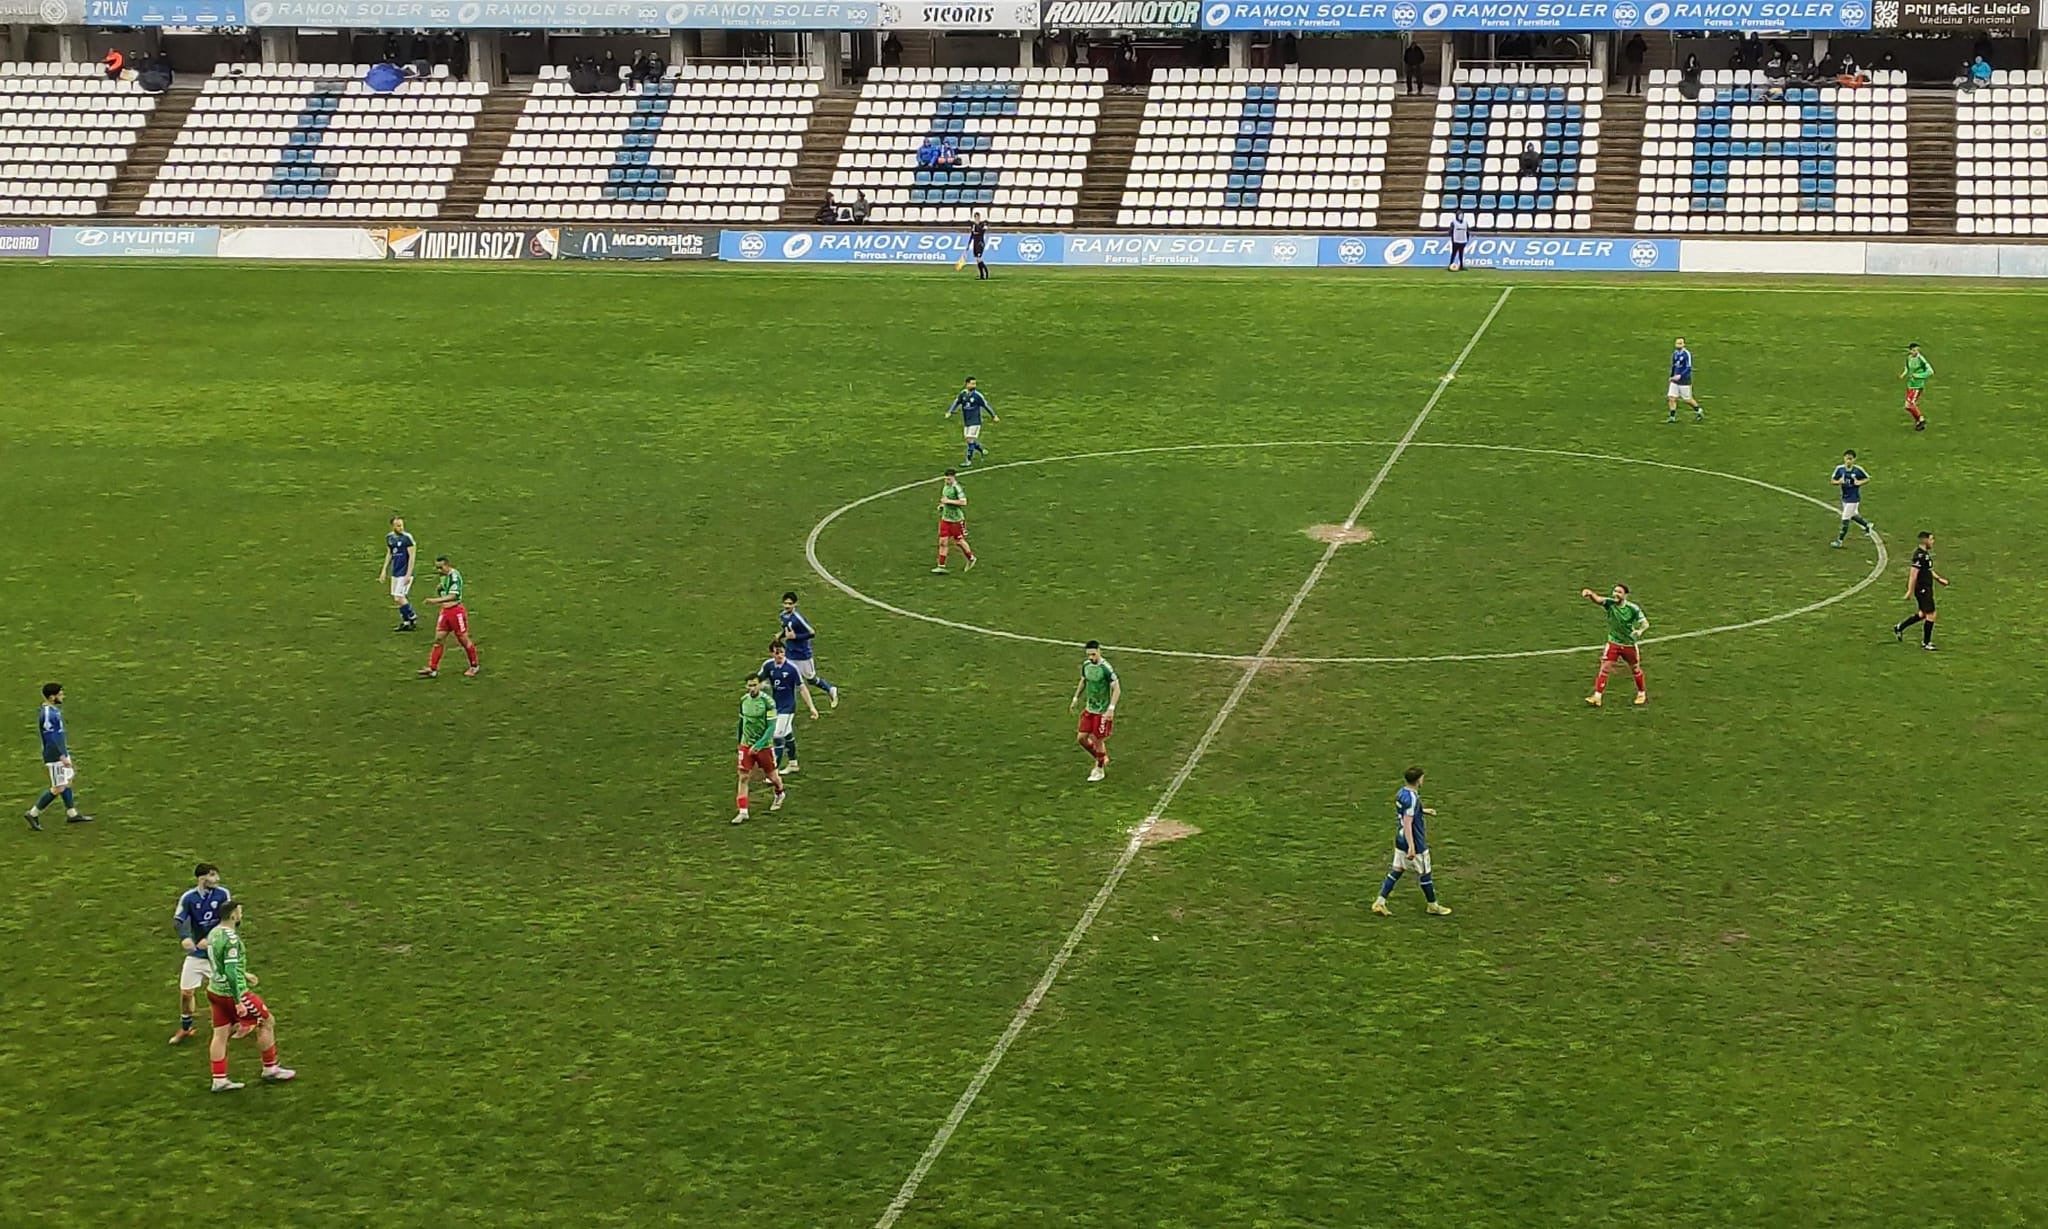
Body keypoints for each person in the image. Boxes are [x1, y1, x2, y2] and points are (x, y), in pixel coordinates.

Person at [204, 898, 296, 1092]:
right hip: (233, 992)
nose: (241, 915)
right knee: (267, 1021)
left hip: (214, 990)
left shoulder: (213, 933)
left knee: (220, 1034)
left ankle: (219, 1079)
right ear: (233, 915)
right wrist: (238, 1000)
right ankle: (270, 1069)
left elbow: (219, 963)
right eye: (240, 912)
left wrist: (243, 973)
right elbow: (230, 971)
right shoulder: (232, 939)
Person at [1372, 767, 1451, 917]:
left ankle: (1380, 902)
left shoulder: (1402, 792)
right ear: (1419, 780)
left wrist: (1423, 811)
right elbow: (1408, 822)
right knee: (1425, 873)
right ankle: (1433, 906)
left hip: (1400, 839)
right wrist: (1412, 847)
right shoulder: (1412, 798)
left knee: (1397, 870)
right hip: (1414, 841)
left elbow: (1405, 812)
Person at [170, 863, 231, 1045]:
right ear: (202, 878)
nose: (217, 879)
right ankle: (186, 1027)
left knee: (230, 991)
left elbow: (230, 919)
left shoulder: (223, 894)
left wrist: (211, 937)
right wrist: (185, 937)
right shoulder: (189, 897)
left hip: (217, 952)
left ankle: (247, 1021)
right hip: (197, 954)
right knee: (186, 993)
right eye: (212, 875)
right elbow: (178, 920)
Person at [24, 682, 91, 830]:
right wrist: (61, 756)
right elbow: (50, 738)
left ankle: (72, 814)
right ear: (52, 697)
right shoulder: (48, 714)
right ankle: (33, 813)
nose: (63, 696)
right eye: (60, 694)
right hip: (55, 756)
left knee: (67, 779)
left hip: (62, 752)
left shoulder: (53, 710)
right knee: (59, 787)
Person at [757, 640, 820, 774]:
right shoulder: (768, 665)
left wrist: (812, 707)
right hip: (775, 706)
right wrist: (760, 686)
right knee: (787, 734)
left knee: (777, 736)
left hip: (788, 707)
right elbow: (757, 680)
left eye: (782, 652)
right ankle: (793, 764)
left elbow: (802, 688)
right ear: (772, 653)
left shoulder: (792, 668)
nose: (780, 655)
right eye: (777, 653)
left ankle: (772, 772)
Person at [1582, 584, 1649, 707]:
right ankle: (1597, 697)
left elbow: (1645, 623)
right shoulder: (1610, 603)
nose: (1616, 594)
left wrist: (1640, 631)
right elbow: (1598, 600)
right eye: (1615, 591)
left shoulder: (1633, 608)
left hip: (1628, 644)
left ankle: (1641, 694)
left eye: (1619, 592)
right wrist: (1590, 594)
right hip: (1613, 643)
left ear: (1625, 595)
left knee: (1635, 669)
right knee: (1605, 668)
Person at [734, 675, 786, 824]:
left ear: (759, 685)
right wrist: (739, 742)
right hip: (746, 744)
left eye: (754, 685)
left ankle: (780, 792)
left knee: (772, 776)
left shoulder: (768, 702)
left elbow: (771, 727)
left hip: (764, 746)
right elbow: (742, 722)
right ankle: (743, 811)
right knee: (743, 777)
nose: (752, 688)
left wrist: (759, 745)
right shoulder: (744, 701)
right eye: (749, 685)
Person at [418, 555, 479, 678]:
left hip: (456, 612)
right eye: (437, 568)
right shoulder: (444, 576)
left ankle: (474, 666)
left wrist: (435, 601)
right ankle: (432, 669)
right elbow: (444, 588)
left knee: (463, 639)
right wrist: (440, 589)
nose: (439, 570)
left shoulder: (454, 576)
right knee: (438, 639)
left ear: (447, 565)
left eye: (441, 567)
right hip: (445, 612)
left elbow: (453, 596)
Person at [777, 592, 840, 708]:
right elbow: (787, 629)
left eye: (790, 604)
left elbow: (811, 633)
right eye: (785, 603)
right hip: (790, 653)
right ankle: (785, 705)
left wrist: (796, 637)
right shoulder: (783, 615)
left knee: (811, 679)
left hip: (802, 655)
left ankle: (830, 689)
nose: (787, 606)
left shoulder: (798, 618)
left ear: (795, 604)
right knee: (786, 676)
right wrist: (780, 636)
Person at [1069, 640, 1119, 782]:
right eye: (1089, 655)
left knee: (1098, 740)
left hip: (1102, 711)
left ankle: (1099, 769)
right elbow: (1083, 681)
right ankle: (1101, 757)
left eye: (1093, 654)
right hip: (1089, 708)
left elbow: (1117, 688)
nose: (1091, 657)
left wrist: (1111, 709)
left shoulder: (1106, 668)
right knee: (1081, 738)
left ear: (1099, 651)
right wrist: (1075, 698)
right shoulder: (1086, 665)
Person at [1893, 532, 1949, 649]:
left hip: (1926, 587)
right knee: (1931, 614)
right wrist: (1910, 591)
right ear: (1925, 540)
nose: (1933, 542)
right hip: (1922, 588)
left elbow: (1928, 570)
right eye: (1931, 539)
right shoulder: (1919, 555)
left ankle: (1899, 627)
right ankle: (1926, 643)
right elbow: (1913, 574)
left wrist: (1939, 579)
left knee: (1923, 614)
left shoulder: (1925, 554)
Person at [945, 376, 999, 466]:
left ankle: (968, 460)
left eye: (975, 384)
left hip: (975, 421)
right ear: (967, 384)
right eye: (972, 383)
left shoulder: (977, 396)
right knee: (969, 440)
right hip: (967, 421)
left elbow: (986, 406)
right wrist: (950, 411)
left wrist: (994, 416)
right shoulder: (963, 394)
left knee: (970, 439)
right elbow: (956, 402)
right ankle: (982, 450)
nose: (974, 385)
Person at [379, 515, 419, 632]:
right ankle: (406, 622)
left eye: (401, 525)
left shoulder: (407, 538)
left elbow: (412, 557)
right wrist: (384, 570)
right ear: (392, 526)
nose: (400, 528)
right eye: (398, 526)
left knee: (398, 597)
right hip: (395, 572)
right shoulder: (389, 538)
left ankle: (412, 615)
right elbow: (389, 554)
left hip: (405, 572)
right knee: (397, 597)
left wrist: (408, 574)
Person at [932, 469, 975, 574]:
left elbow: (963, 502)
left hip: (956, 520)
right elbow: (944, 498)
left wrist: (948, 501)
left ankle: (971, 558)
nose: (947, 481)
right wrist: (942, 505)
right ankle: (941, 566)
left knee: (959, 541)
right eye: (946, 479)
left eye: (949, 479)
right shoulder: (945, 486)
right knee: (942, 542)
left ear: (953, 478)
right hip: (945, 519)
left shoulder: (957, 488)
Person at [1830, 450, 1875, 547]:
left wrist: (1859, 482)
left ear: (1854, 459)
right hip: (1845, 497)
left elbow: (1867, 478)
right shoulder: (1840, 469)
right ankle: (1867, 525)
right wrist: (1839, 482)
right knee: (1853, 515)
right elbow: (1833, 481)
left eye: (1850, 459)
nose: (1848, 461)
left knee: (1845, 518)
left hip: (1854, 498)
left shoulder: (1857, 470)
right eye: (1847, 458)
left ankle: (1839, 541)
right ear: (1844, 458)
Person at [1664, 336, 1702, 423]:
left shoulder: (1686, 354)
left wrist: (1680, 376)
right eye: (1677, 343)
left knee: (1687, 399)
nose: (1679, 345)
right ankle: (1672, 417)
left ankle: (1698, 410)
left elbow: (1688, 368)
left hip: (1684, 381)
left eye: (1680, 343)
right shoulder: (1675, 354)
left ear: (1684, 344)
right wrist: (1672, 376)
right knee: (1671, 397)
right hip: (1675, 380)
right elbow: (1673, 366)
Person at [1900, 342, 1933, 430]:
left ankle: (1921, 419)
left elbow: (1930, 371)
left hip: (1917, 386)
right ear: (1910, 351)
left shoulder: (1921, 359)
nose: (1916, 352)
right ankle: (1919, 421)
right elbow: (1907, 367)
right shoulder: (1909, 358)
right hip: (1910, 385)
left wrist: (1918, 376)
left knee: (1910, 404)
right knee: (1907, 406)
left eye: (1917, 350)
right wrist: (1904, 373)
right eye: (1914, 350)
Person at [966, 212, 990, 280]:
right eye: (976, 217)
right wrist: (969, 244)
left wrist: (977, 225)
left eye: (978, 217)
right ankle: (981, 275)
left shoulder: (982, 224)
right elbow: (972, 235)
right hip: (975, 243)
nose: (977, 218)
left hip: (980, 243)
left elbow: (982, 232)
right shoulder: (973, 225)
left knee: (979, 258)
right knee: (977, 260)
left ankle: (986, 271)